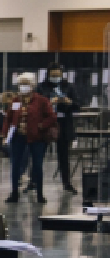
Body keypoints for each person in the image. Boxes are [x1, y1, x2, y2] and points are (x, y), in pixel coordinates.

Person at [2, 72, 56, 203]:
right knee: (15, 165)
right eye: (21, 84)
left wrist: (41, 126)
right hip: (18, 137)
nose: (23, 87)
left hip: (37, 137)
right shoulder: (15, 100)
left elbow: (51, 116)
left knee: (37, 165)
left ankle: (40, 194)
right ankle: (14, 192)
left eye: (26, 84)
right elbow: (8, 119)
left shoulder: (41, 100)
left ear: (32, 85)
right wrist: (4, 134)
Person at [44, 64, 80, 194]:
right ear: (48, 75)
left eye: (57, 75)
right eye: (53, 75)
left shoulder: (69, 86)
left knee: (64, 155)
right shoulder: (42, 87)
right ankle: (34, 182)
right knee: (38, 154)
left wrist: (68, 102)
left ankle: (67, 183)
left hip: (64, 122)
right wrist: (49, 102)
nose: (55, 77)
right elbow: (36, 104)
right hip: (46, 123)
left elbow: (77, 105)